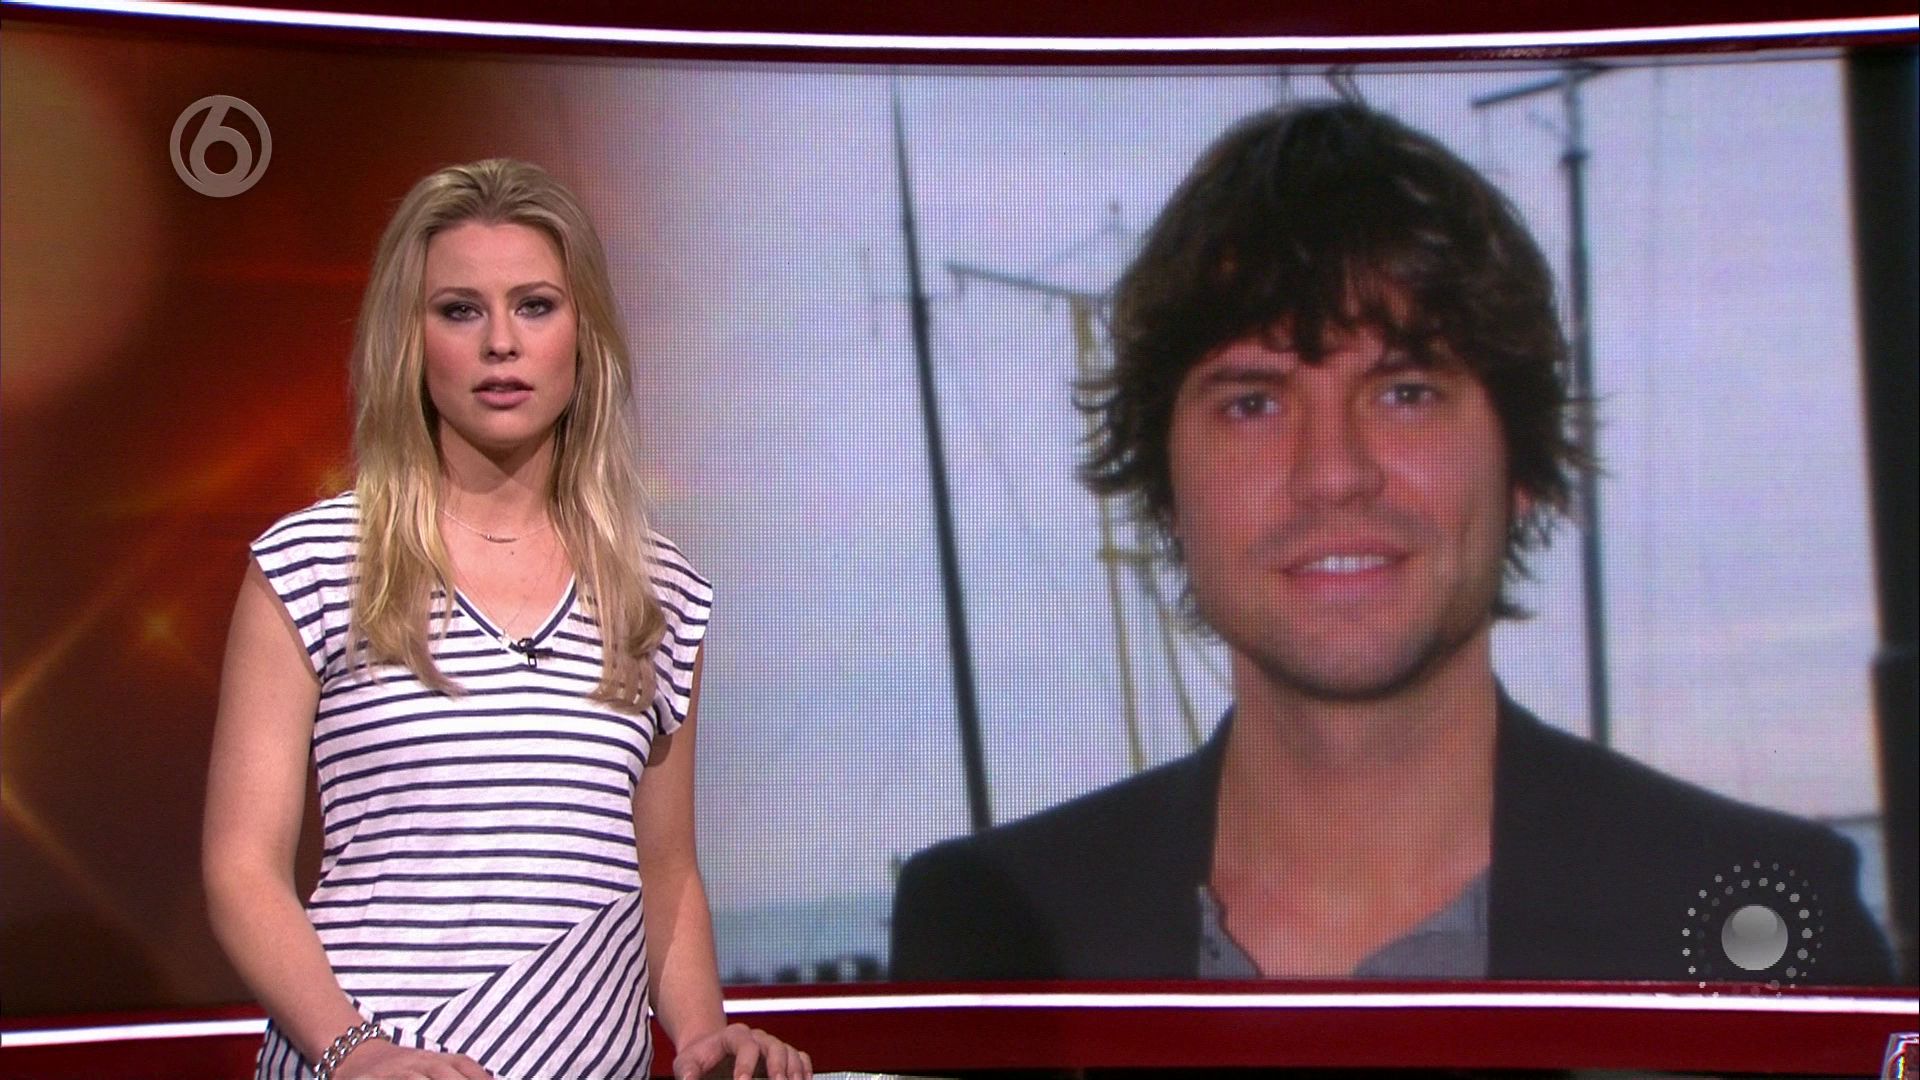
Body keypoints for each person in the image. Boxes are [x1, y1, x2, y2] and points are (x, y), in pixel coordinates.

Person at [889, 102, 1894, 985]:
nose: (1333, 472)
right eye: (1252, 403)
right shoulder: (999, 937)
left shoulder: (1757, 923)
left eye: (1406, 392)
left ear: (1522, 464)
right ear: (1166, 490)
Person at [204, 160, 812, 1080]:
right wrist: (359, 1054)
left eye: (534, 306)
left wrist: (701, 1037)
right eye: (459, 310)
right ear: (409, 340)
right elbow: (242, 869)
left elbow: (664, 872)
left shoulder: (657, 590)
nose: (500, 343)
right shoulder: (316, 564)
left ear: (583, 334)